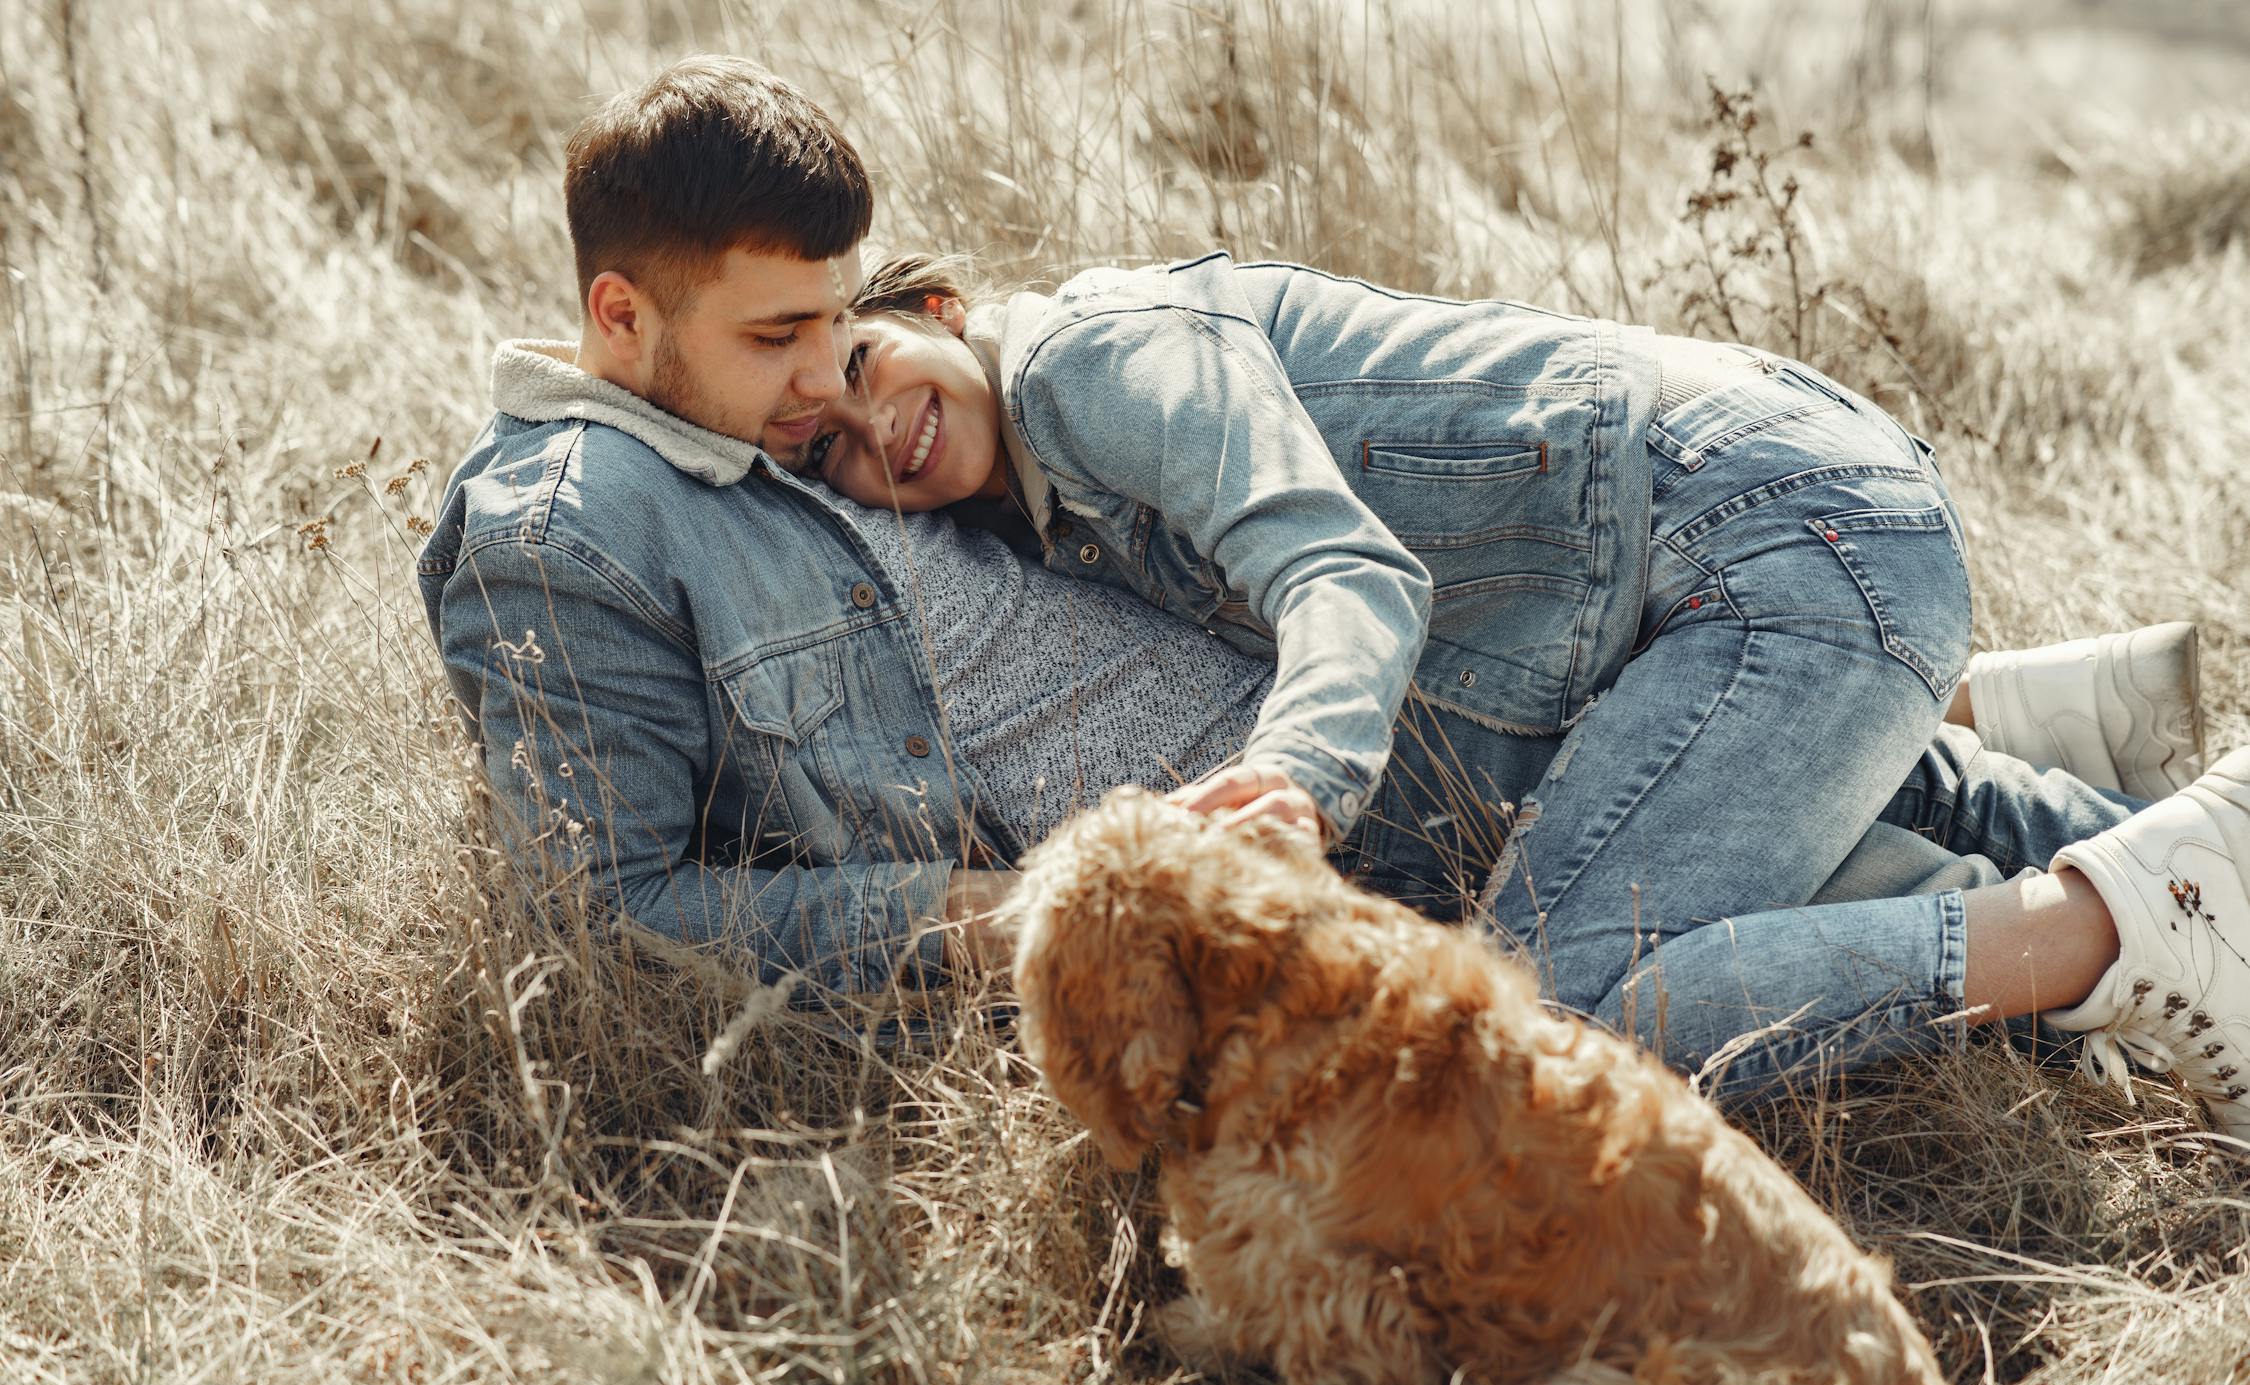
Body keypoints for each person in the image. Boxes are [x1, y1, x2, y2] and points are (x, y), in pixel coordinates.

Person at [788, 251, 2250, 1137]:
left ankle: (2121, 919)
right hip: (1729, 585)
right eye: (834, 452)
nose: (876, 430)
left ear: (935, 304)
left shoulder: (1088, 357)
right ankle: (2111, 795)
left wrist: (1300, 772)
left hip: (1785, 543)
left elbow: (1343, 571)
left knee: (1559, 1015)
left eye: (862, 361)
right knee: (1653, 862)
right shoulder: (1055, 499)